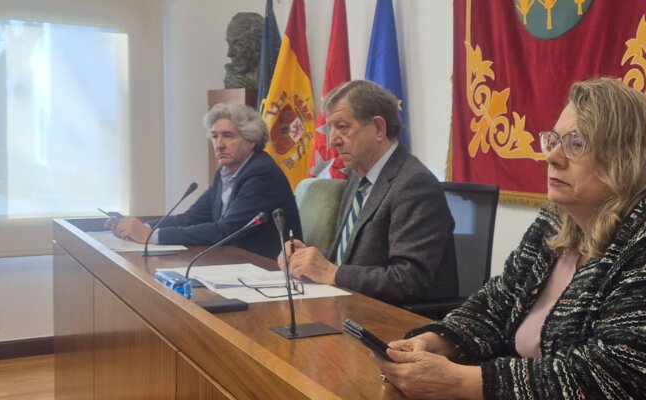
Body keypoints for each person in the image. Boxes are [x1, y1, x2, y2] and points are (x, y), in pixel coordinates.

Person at [371, 77, 646, 399]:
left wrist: (459, 381)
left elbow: (618, 380)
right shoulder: (558, 218)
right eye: (554, 140)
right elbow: (499, 302)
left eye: (576, 144)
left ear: (626, 156)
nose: (552, 157)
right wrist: (437, 341)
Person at [278, 80, 458, 305]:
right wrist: (306, 259)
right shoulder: (357, 178)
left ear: (378, 128)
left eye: (342, 127)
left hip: (394, 319)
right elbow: (349, 256)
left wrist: (332, 273)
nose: (332, 141)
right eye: (330, 128)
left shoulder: (414, 184)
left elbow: (409, 280)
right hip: (352, 306)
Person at [108, 102, 301, 259]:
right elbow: (190, 219)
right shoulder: (224, 173)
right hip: (233, 262)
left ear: (252, 141)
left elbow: (227, 231)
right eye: (214, 136)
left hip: (267, 268)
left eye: (228, 136)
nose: (219, 145)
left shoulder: (262, 174)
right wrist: (140, 227)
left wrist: (151, 236)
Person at [223, 12, 262, 90]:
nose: (229, 53)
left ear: (258, 44)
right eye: (229, 43)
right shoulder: (233, 80)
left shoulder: (279, 78)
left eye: (239, 44)